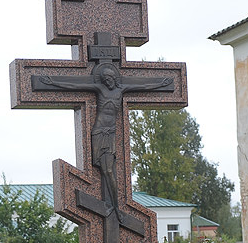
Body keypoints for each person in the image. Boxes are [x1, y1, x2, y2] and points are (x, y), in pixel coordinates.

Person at [38, 63, 169, 221]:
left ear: (114, 78)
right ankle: (114, 207)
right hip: (99, 132)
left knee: (108, 171)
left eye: (109, 78)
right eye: (105, 79)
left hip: (111, 134)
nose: (107, 81)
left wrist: (160, 84)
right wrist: (53, 83)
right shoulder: (100, 89)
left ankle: (115, 207)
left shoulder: (121, 90)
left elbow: (143, 87)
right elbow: (75, 86)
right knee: (105, 171)